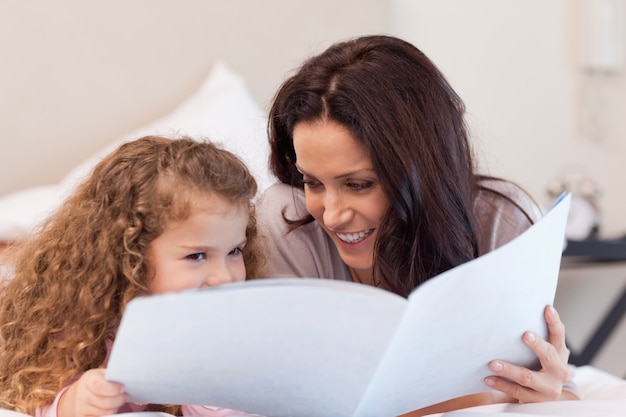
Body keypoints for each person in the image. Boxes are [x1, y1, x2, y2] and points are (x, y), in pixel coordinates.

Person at [255, 34, 578, 410]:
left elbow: (542, 385)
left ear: (422, 171)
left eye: (359, 185)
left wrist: (552, 387)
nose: (332, 214)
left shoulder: (499, 221)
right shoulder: (287, 219)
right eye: (312, 182)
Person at [0, 136, 265, 417]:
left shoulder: (230, 323)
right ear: (130, 255)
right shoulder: (83, 321)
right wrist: (73, 403)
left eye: (235, 251)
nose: (224, 277)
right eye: (196, 256)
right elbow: (33, 398)